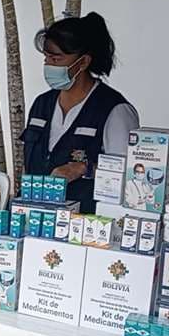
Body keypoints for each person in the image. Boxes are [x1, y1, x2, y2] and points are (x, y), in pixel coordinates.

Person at [21, 12, 139, 213]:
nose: (49, 65)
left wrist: (85, 169)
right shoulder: (42, 104)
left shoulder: (114, 110)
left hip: (88, 222)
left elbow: (130, 176)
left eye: (56, 59)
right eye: (46, 58)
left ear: (83, 62)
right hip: (39, 216)